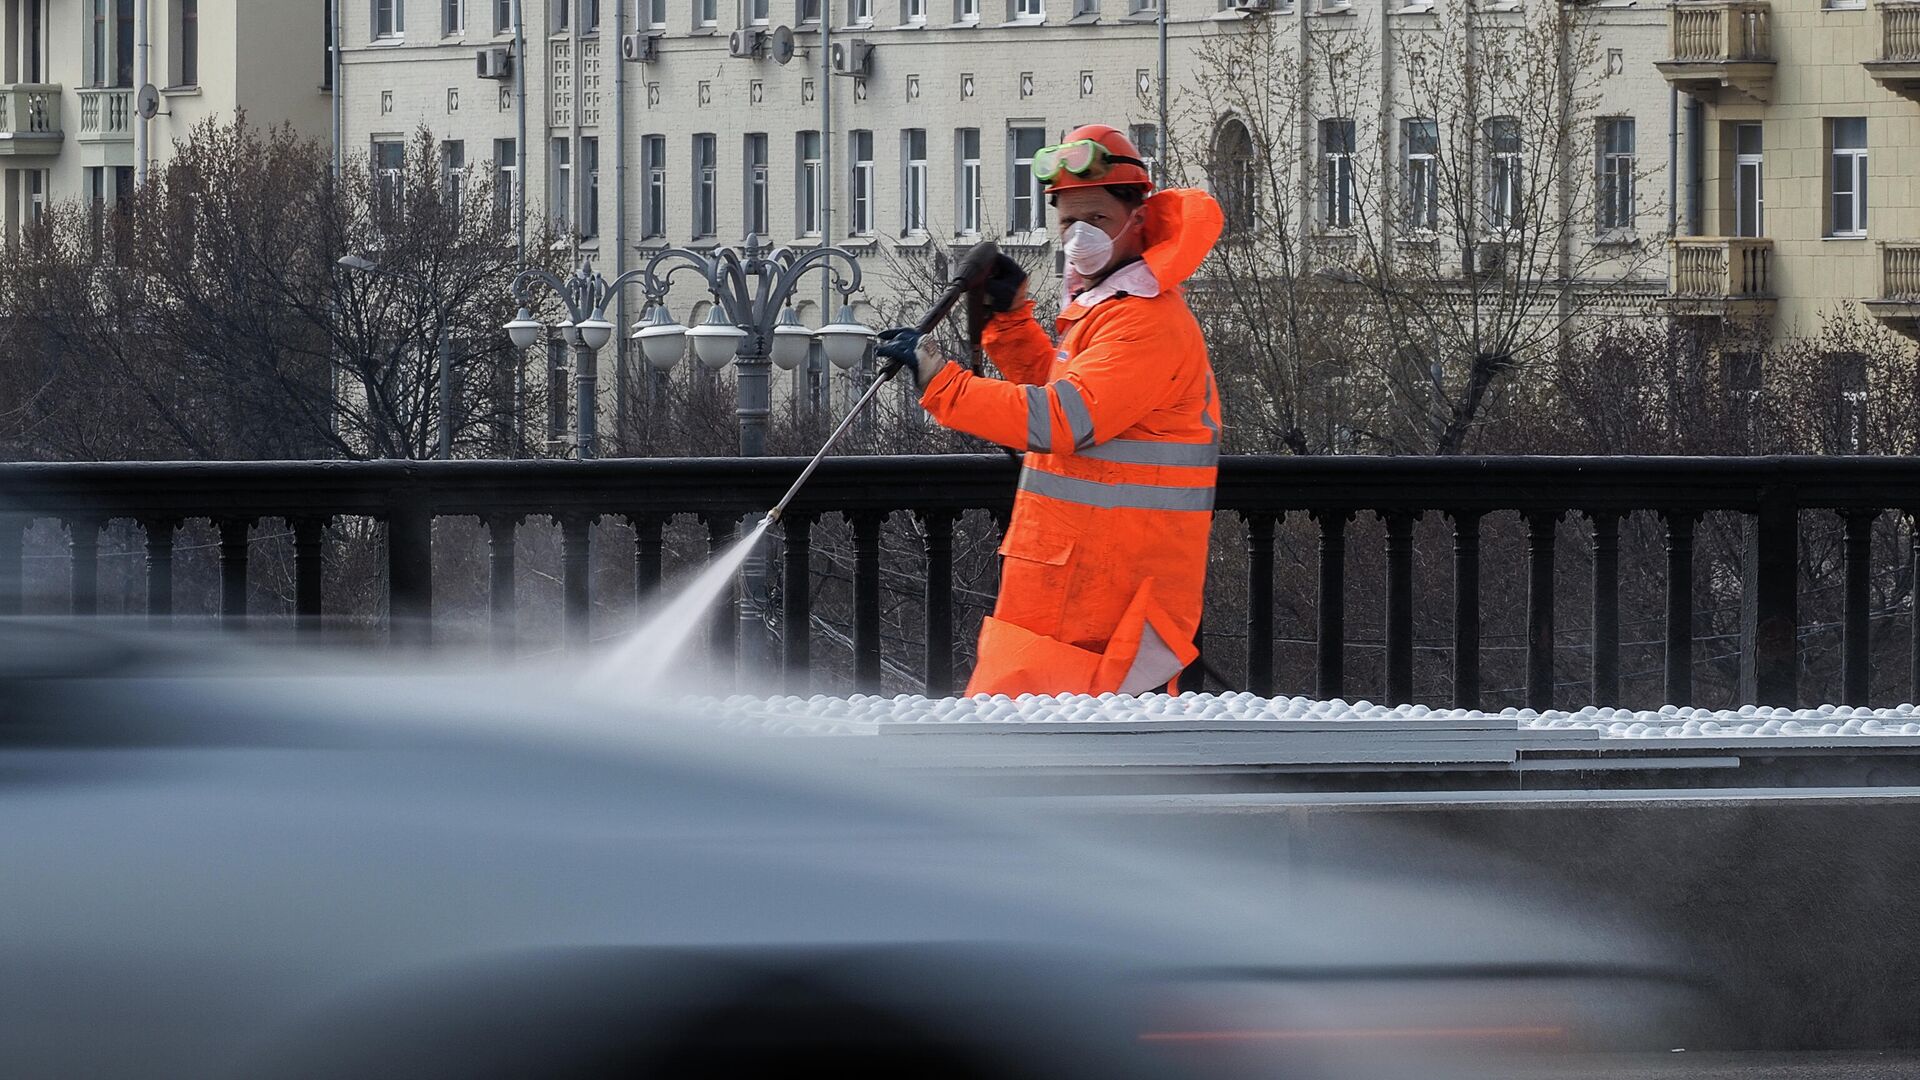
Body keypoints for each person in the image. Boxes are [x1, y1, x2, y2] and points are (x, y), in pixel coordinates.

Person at [877, 124, 1224, 697]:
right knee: (1024, 762)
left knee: (1042, 768)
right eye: (1067, 221)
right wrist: (1009, 321)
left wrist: (940, 381)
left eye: (1097, 220)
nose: (1079, 235)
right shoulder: (1109, 306)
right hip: (1073, 590)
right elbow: (1069, 393)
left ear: (1138, 220)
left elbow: (1063, 419)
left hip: (1105, 606)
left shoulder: (1146, 322)